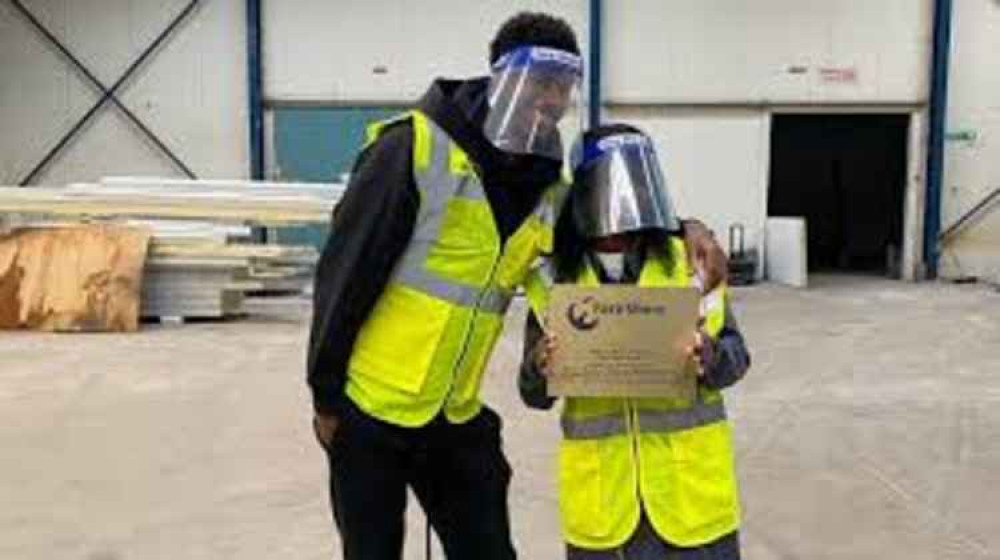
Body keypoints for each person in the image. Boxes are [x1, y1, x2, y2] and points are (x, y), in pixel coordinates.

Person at [306, 12, 585, 560]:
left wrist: (686, 230)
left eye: (562, 85)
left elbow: (586, 254)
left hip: (455, 415)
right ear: (502, 77)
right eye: (539, 81)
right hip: (370, 410)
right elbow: (344, 271)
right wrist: (325, 394)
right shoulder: (414, 148)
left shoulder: (549, 186)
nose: (551, 98)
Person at [519, 124, 751, 559]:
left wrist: (710, 355)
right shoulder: (554, 281)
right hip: (605, 513)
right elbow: (532, 394)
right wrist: (540, 364)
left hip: (691, 506)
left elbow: (737, 358)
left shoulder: (690, 266)